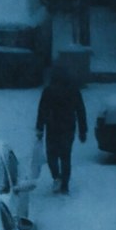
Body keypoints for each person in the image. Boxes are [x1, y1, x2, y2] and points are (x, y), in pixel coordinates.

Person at [35, 64, 88, 195]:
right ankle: (64, 184)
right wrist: (82, 130)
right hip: (68, 127)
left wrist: (40, 127)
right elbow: (80, 110)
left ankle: (56, 177)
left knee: (51, 155)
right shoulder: (73, 91)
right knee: (65, 156)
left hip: (52, 127)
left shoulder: (48, 91)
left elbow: (42, 110)